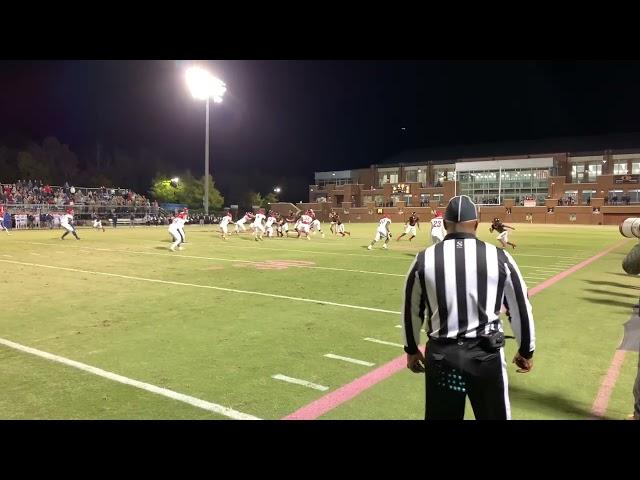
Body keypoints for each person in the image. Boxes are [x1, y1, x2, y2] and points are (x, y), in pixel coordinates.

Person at [401, 195, 536, 420]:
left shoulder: (423, 259)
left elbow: (411, 309)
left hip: (443, 358)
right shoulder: (500, 257)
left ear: (444, 225)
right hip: (486, 357)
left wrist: (411, 349)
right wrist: (526, 350)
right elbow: (520, 306)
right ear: (476, 224)